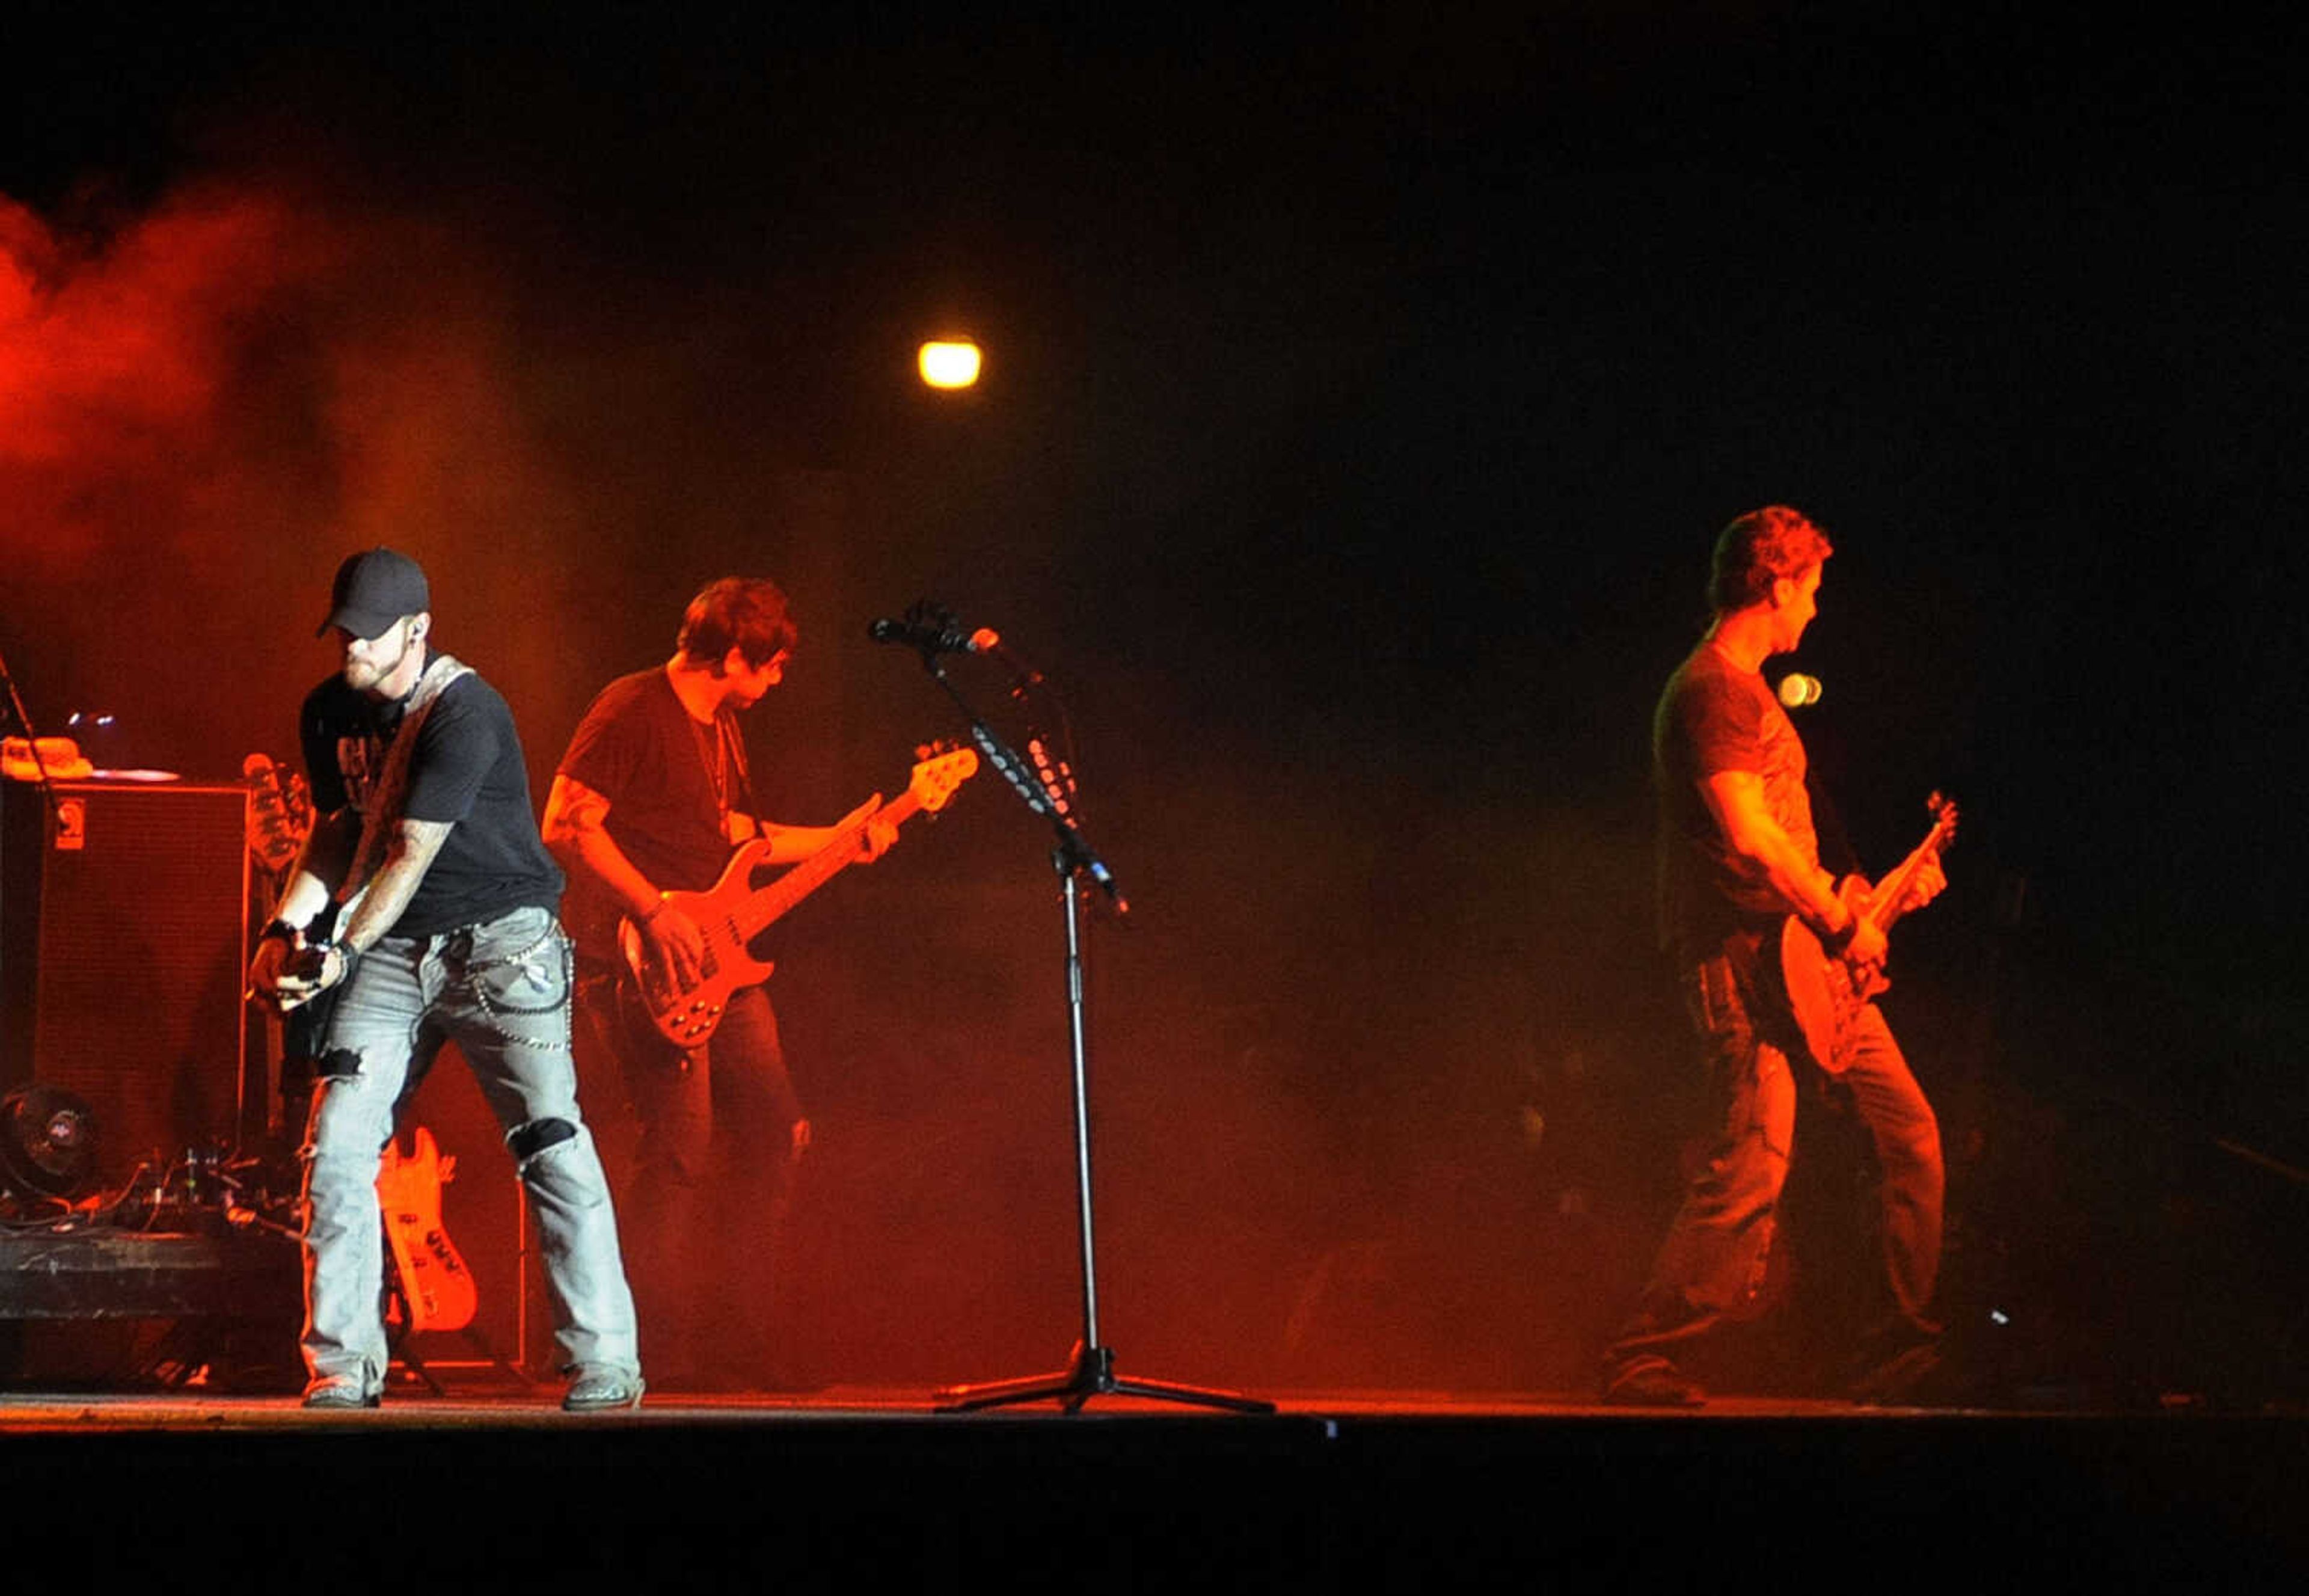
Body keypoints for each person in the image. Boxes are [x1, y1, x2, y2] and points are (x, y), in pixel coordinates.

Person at [248, 547, 644, 1411]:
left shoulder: (467, 712)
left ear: (416, 631)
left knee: (547, 1138)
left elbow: (409, 852)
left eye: (366, 637)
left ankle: (605, 1358)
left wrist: (340, 948)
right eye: (341, 634)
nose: (349, 652)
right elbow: (335, 832)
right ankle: (342, 1370)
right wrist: (286, 928)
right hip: (391, 952)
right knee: (338, 1149)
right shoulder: (327, 711)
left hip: (503, 942)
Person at [1601, 506, 1946, 1406]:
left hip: (1807, 962)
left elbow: (1790, 841)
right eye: (1814, 591)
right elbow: (1750, 839)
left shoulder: (1753, 694)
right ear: (1776, 581)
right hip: (1742, 963)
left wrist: (1866, 901)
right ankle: (1644, 1351)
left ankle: (1895, 1346)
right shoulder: (1711, 687)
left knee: (1906, 1132)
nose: (1817, 612)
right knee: (1752, 1156)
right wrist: (1839, 923)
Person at [541, 576, 894, 1389]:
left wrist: (842, 840)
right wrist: (652, 911)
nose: (775, 683)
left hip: (723, 965)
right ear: (734, 655)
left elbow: (738, 835)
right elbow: (564, 821)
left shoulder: (722, 728)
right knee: (678, 1152)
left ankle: (739, 1342)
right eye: (769, 667)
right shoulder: (631, 708)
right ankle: (641, 1350)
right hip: (639, 965)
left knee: (774, 1133)